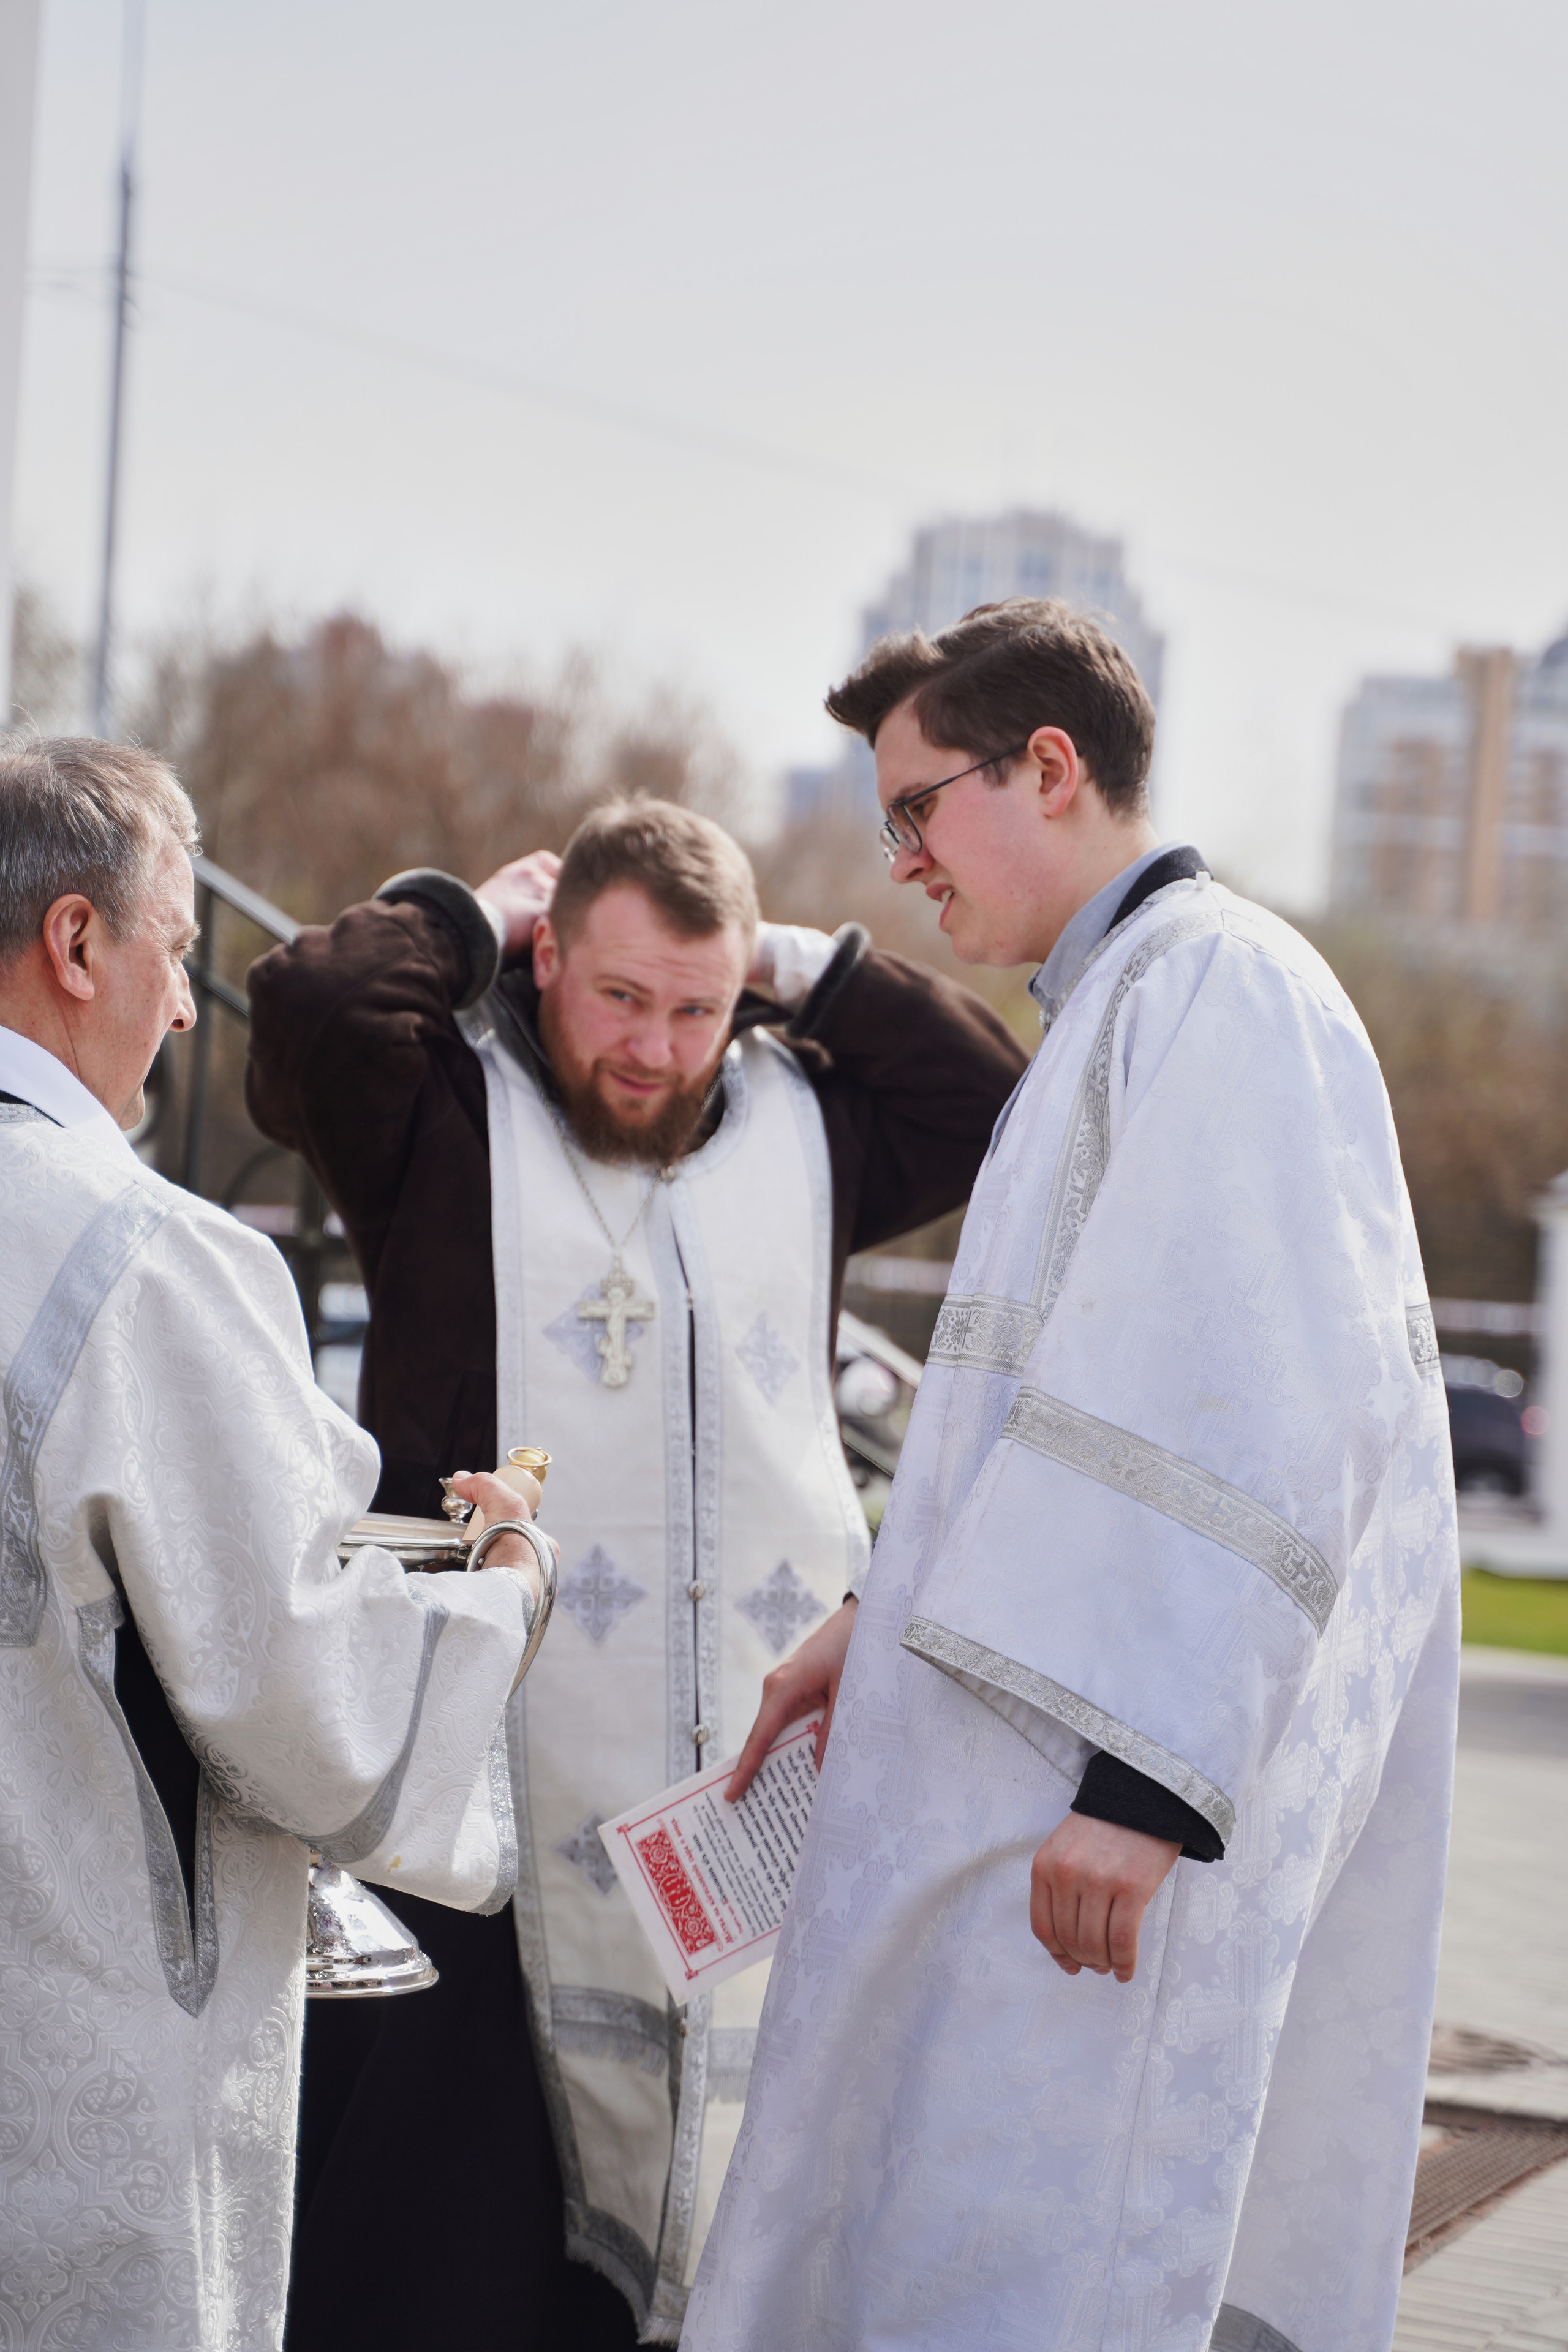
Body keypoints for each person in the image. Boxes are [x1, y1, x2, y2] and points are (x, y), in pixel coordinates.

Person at [684, 600, 1461, 2352]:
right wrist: (879, 1620)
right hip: (1035, 1805)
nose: (900, 865)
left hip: (1093, 1836)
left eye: (916, 810)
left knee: (1044, 2269)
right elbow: (1068, 1409)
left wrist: (1147, 1785)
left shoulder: (1217, 989)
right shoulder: (1128, 1000)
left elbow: (1257, 1406)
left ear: (1048, 767)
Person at [244, 794, 1028, 2346]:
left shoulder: (811, 1121)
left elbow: (993, 1095)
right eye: (615, 996)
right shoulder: (439, 1115)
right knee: (447, 2260)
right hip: (483, 1799)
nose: (654, 1049)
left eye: (693, 1007)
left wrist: (798, 960)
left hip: (735, 1784)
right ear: (544, 969)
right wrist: (463, 914)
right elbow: (313, 1009)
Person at [0, 737, 548, 2352]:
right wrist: (506, 1594)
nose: (182, 1011)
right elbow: (307, 1703)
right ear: (82, 944)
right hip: (73, 2052)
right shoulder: (142, 1257)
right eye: (173, 956)